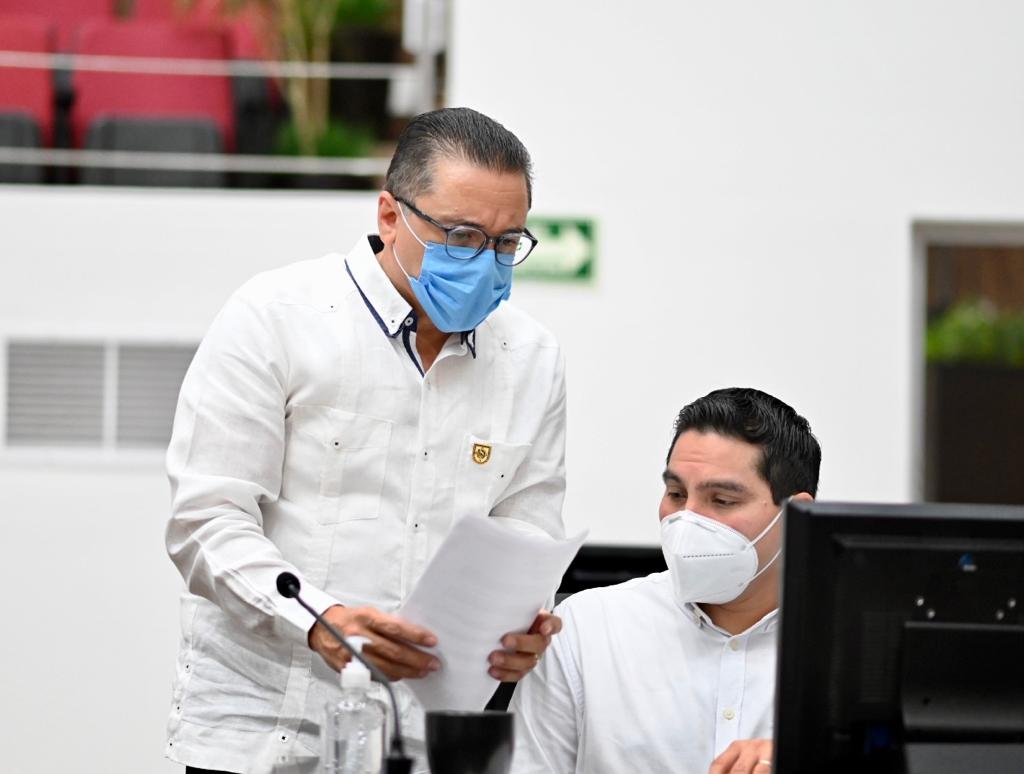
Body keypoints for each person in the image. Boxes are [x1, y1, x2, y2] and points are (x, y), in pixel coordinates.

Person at [164, 107, 567, 774]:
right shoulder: (277, 317)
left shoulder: (531, 358)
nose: (484, 262)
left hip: (427, 737)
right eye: (462, 236)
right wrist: (318, 620)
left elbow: (527, 529)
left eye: (505, 244)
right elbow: (205, 522)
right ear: (390, 215)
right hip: (260, 731)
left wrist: (524, 623)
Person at [509, 387, 822, 774]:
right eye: (676, 493)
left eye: (722, 500)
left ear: (795, 516)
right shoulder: (586, 628)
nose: (687, 519)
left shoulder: (854, 645)